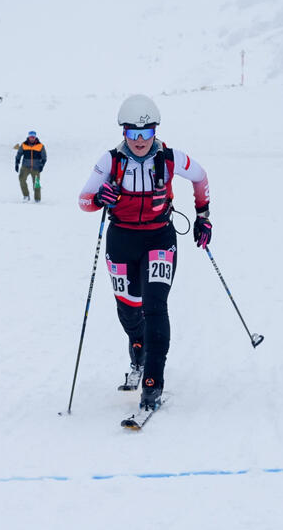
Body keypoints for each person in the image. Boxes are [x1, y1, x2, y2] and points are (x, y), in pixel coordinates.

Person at [78, 94, 212, 411]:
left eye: (146, 133)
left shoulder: (170, 158)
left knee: (155, 306)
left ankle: (153, 382)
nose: (140, 141)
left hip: (159, 239)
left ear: (155, 131)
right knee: (129, 310)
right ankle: (137, 346)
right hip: (121, 240)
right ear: (123, 132)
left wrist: (203, 217)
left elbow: (201, 177)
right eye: (133, 134)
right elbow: (83, 200)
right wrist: (100, 197)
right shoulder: (109, 161)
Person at [15, 131, 47, 202]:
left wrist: (41, 165)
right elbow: (19, 154)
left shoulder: (40, 146)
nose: (31, 138)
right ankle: (26, 195)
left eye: (33, 137)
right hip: (25, 167)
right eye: (30, 137)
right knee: (21, 179)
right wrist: (17, 163)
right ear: (28, 137)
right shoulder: (23, 145)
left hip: (36, 167)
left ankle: (37, 199)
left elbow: (44, 157)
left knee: (36, 184)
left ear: (35, 137)